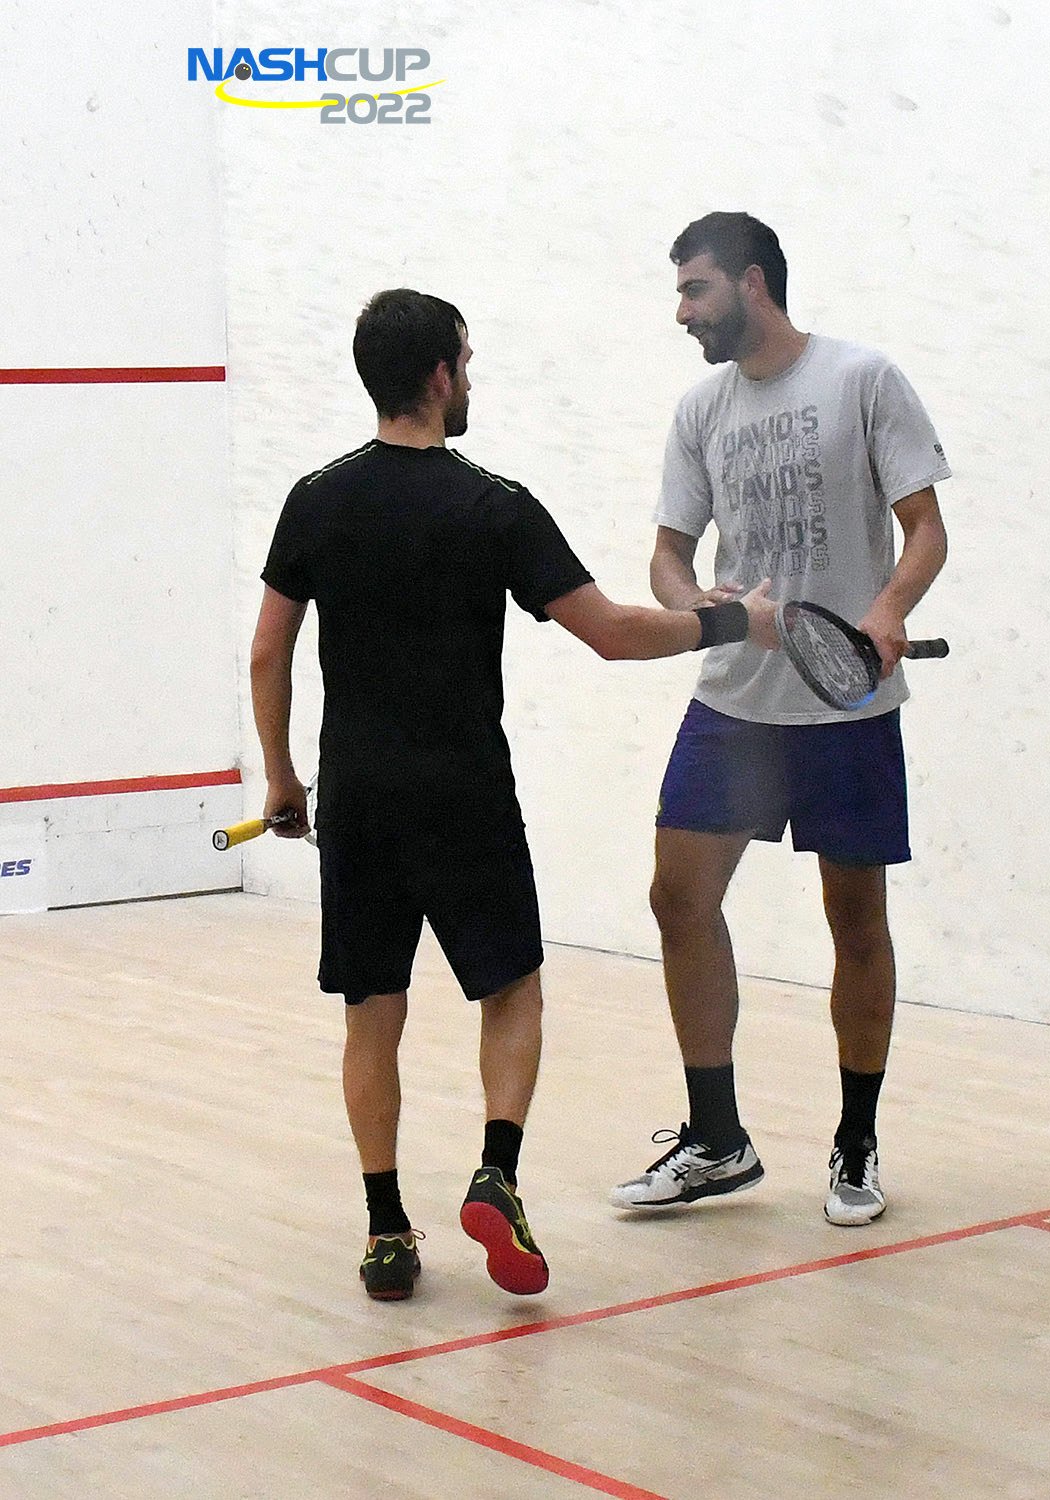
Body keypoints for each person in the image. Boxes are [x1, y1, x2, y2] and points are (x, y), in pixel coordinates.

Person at [250, 287, 777, 1300]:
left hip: (359, 799)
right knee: (512, 991)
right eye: (467, 361)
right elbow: (613, 633)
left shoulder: (314, 499)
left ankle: (386, 1231)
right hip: (465, 796)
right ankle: (496, 1171)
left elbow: (270, 649)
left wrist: (281, 774)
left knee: (372, 1011)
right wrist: (728, 622)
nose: (471, 378)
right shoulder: (494, 505)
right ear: (440, 375)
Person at [610, 213, 950, 1226]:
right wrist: (701, 606)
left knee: (855, 921)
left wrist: (886, 612)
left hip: (847, 705)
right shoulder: (700, 410)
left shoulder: (862, 380)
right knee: (679, 897)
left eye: (695, 290)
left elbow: (925, 530)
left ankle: (856, 1140)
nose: (682, 312)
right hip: (734, 705)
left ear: (752, 282)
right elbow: (667, 555)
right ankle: (717, 1140)